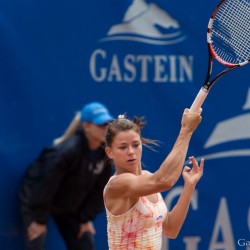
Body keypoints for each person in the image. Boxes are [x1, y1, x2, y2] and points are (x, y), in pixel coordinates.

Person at [103, 109, 204, 249]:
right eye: (123, 147)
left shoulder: (148, 177)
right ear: (110, 152)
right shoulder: (118, 184)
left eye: (136, 145)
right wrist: (186, 130)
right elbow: (165, 180)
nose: (131, 152)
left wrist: (189, 186)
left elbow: (171, 229)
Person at [19, 102, 114, 250]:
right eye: (100, 124)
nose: (105, 128)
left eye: (108, 123)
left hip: (69, 200)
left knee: (85, 243)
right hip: (37, 195)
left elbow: (100, 190)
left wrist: (85, 218)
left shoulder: (106, 154)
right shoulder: (67, 151)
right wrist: (38, 220)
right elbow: (45, 185)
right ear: (86, 127)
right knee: (35, 240)